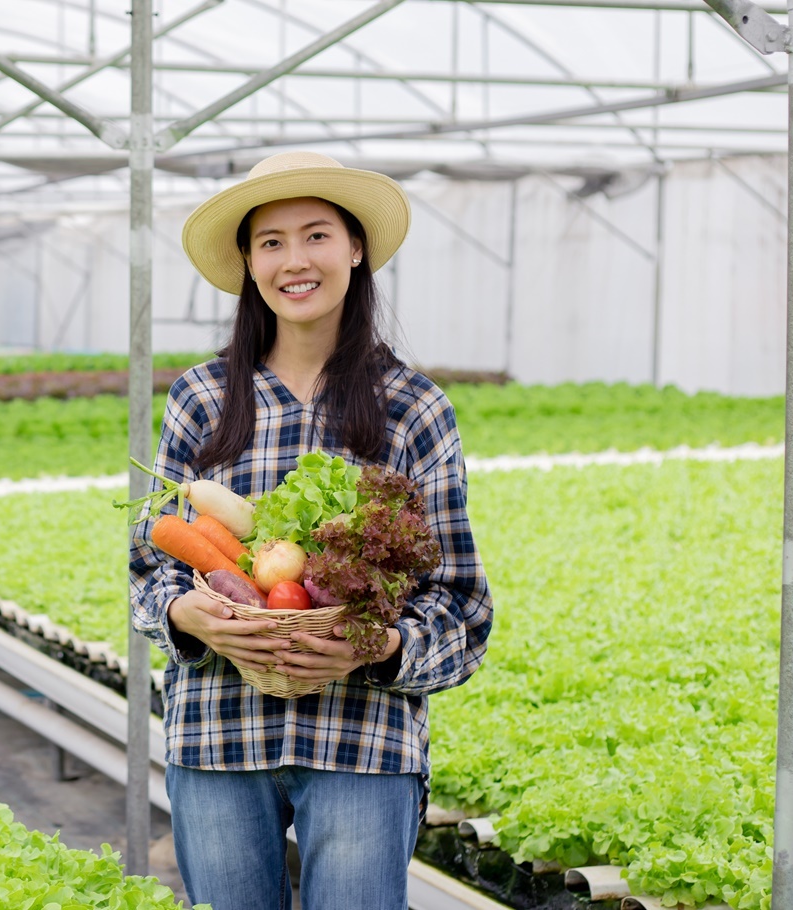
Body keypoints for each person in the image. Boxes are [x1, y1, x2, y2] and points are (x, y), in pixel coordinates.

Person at [129, 151, 494, 909]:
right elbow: (149, 569)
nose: (294, 260)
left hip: (361, 742)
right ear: (249, 263)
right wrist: (184, 614)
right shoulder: (200, 398)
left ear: (355, 248)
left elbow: (460, 607)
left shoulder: (411, 407)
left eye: (316, 235)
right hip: (218, 735)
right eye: (270, 242)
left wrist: (378, 643)